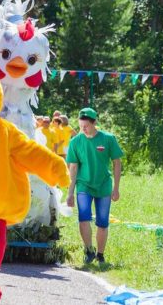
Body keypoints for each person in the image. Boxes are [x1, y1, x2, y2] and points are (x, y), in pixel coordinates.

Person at [66, 107, 123, 264]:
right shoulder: (75, 142)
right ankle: (89, 250)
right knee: (83, 218)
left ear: (94, 123)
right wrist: (70, 193)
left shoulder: (108, 139)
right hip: (84, 185)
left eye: (86, 126)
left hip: (104, 185)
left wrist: (116, 188)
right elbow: (73, 167)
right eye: (80, 126)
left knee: (102, 223)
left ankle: (100, 254)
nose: (83, 129)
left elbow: (117, 162)